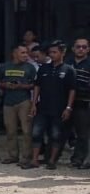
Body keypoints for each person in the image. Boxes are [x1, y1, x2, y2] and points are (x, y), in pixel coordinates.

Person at [28, 40, 76, 170]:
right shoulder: (44, 68)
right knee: (36, 133)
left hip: (59, 109)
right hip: (42, 107)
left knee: (56, 135)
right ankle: (34, 160)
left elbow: (72, 90)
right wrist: (33, 104)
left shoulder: (69, 70)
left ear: (63, 53)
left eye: (55, 52)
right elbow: (37, 86)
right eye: (50, 52)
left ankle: (52, 161)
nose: (52, 54)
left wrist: (68, 108)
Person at [0, 44, 36, 166]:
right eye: (23, 53)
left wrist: (21, 86)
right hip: (8, 102)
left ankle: (26, 157)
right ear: (14, 54)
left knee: (26, 130)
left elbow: (34, 85)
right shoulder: (4, 67)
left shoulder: (30, 67)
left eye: (26, 53)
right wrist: (5, 85)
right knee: (10, 130)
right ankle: (12, 156)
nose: (26, 55)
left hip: (24, 101)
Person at [69, 37, 90, 168]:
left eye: (84, 47)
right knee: (67, 132)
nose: (81, 49)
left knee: (83, 133)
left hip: (84, 102)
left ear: (88, 49)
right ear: (73, 48)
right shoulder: (67, 63)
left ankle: (80, 159)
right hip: (66, 103)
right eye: (78, 46)